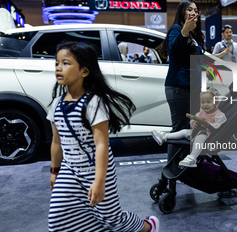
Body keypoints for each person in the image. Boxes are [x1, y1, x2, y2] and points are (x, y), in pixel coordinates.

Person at [47, 41, 159, 232]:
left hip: (96, 171)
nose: (58, 68)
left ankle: (148, 227)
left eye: (66, 63)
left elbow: (101, 145)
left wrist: (99, 181)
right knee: (58, 220)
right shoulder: (56, 104)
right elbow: (56, 141)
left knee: (111, 218)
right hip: (70, 170)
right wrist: (54, 171)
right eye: (57, 63)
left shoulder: (93, 103)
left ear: (84, 71)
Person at [156, 0, 205, 160]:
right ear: (182, 11)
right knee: (178, 128)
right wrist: (184, 31)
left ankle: (184, 167)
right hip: (179, 87)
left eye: (195, 10)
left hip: (192, 88)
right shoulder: (176, 29)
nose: (193, 12)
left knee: (191, 129)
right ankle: (171, 172)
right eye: (189, 9)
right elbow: (174, 51)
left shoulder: (194, 34)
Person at [152, 89, 226, 167]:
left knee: (200, 138)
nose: (205, 105)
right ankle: (164, 136)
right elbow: (193, 121)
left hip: (208, 134)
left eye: (208, 102)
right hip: (196, 131)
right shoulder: (201, 113)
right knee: (183, 132)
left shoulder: (219, 115)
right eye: (202, 102)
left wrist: (207, 125)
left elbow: (218, 126)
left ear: (216, 102)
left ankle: (192, 158)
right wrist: (194, 123)